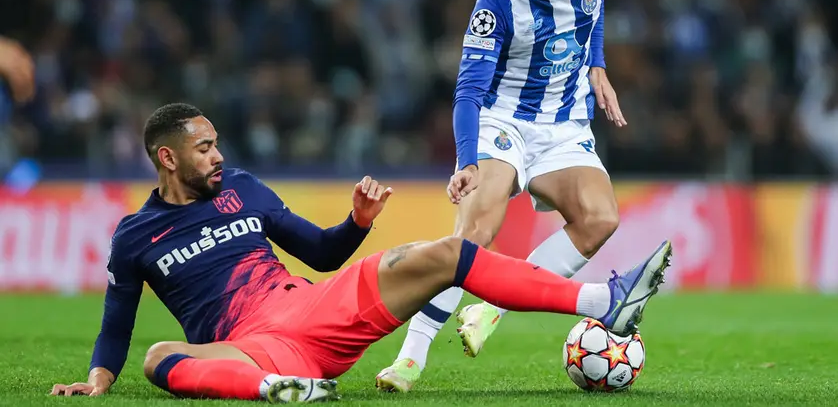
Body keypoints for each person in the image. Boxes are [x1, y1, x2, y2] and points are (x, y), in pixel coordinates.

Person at [51, 103, 671, 403]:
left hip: (316, 305)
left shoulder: (242, 189)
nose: (217, 156)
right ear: (168, 157)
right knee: (160, 355)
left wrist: (357, 222)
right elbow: (117, 322)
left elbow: (321, 254)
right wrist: (97, 381)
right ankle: (278, 389)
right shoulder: (135, 236)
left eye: (216, 145)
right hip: (250, 343)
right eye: (205, 148)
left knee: (445, 252)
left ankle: (603, 301)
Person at [378, 0, 628, 392]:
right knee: (478, 228)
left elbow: (592, 8)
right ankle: (411, 357)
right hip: (503, 116)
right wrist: (466, 161)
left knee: (601, 217)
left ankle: (492, 306)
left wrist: (597, 62)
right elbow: (468, 88)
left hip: (564, 123)